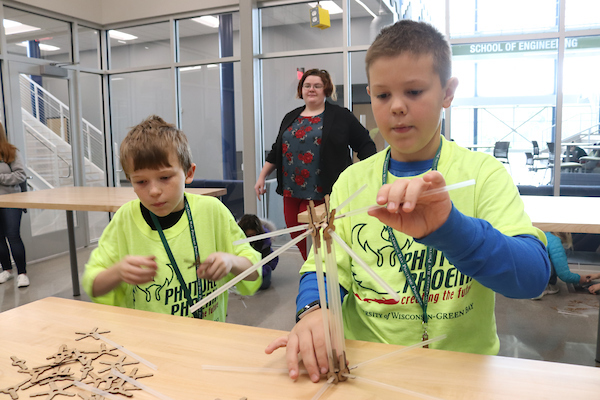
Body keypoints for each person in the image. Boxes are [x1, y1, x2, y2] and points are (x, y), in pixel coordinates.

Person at [265, 20, 551, 383]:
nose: (396, 107)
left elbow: (532, 279)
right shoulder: (353, 180)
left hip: (464, 373)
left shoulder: (482, 174)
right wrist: (314, 310)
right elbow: (324, 267)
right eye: (383, 96)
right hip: (368, 369)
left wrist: (452, 229)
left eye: (414, 91)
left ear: (448, 92)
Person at [82, 116, 262, 319]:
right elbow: (93, 284)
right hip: (147, 340)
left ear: (188, 173)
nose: (154, 191)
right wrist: (117, 272)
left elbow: (254, 271)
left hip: (208, 337)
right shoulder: (125, 219)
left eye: (165, 177)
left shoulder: (212, 211)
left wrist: (232, 261)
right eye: (141, 181)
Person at [254, 69, 376, 260]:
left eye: (317, 86)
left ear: (326, 89)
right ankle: (313, 277)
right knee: (300, 240)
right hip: (291, 191)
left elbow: (365, 144)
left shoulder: (341, 116)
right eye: (307, 85)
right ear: (301, 90)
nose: (312, 89)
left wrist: (366, 175)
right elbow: (277, 149)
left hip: (323, 192)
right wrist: (262, 176)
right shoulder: (291, 116)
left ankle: (324, 278)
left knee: (319, 243)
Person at [0, 123, 29, 288]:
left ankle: (22, 274)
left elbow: (20, 175)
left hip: (11, 200)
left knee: (13, 235)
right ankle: (6, 270)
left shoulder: (11, 151)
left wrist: (1, 177)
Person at [534, 232, 600, 299]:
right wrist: (579, 279)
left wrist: (597, 275)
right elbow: (564, 274)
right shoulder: (555, 241)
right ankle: (544, 287)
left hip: (526, 275)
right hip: (538, 278)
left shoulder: (542, 234)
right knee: (552, 260)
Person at [238, 214, 279, 290]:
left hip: (261, 267)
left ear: (258, 232)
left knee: (263, 284)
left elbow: (266, 261)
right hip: (244, 267)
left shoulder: (265, 240)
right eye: (248, 236)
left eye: (253, 235)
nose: (251, 238)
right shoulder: (236, 240)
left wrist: (257, 273)